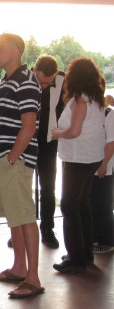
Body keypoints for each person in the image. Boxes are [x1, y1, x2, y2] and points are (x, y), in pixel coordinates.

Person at [0, 33, 44, 298]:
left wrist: (12, 158)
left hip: (15, 160)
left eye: (0, 48)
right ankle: (19, 267)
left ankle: (33, 277)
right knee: (15, 216)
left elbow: (29, 126)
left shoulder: (26, 79)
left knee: (24, 216)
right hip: (4, 158)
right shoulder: (9, 79)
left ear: (16, 50)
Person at [51, 57, 105, 273]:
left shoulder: (81, 100)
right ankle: (84, 254)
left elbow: (74, 131)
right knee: (82, 205)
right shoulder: (95, 97)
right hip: (90, 157)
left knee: (69, 206)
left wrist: (57, 134)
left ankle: (76, 259)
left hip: (78, 158)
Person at [33, 55, 65, 248]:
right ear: (36, 72)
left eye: (49, 82)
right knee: (22, 190)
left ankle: (47, 230)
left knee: (48, 189)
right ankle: (21, 231)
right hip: (26, 143)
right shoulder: (26, 79)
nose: (45, 85)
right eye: (42, 82)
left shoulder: (64, 81)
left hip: (49, 144)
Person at [90, 101, 114, 254]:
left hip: (104, 165)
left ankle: (108, 239)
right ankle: (95, 236)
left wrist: (104, 163)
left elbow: (111, 142)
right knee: (94, 202)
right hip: (92, 163)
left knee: (104, 203)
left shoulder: (109, 114)